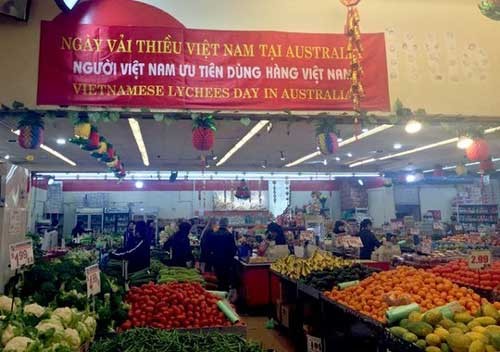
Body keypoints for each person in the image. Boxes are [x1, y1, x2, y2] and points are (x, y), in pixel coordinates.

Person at [212, 218, 237, 291]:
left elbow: (210, 248)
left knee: (217, 279)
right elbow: (233, 250)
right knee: (225, 280)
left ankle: (218, 295)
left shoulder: (214, 234)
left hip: (216, 261)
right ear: (227, 224)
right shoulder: (229, 235)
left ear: (219, 224)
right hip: (226, 262)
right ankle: (225, 296)